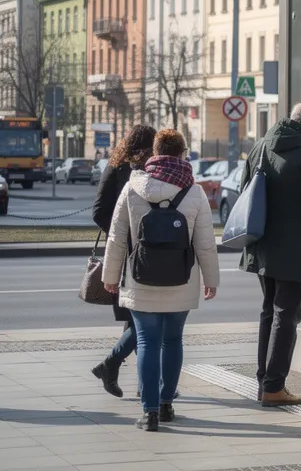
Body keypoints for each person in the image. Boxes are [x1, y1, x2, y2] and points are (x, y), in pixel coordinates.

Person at [102, 129, 219, 432]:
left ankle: (149, 412)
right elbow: (206, 242)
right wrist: (211, 280)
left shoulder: (133, 187)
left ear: (154, 153)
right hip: (182, 279)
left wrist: (110, 277)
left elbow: (117, 238)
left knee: (147, 341)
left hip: (140, 280)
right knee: (173, 340)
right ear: (182, 154)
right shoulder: (193, 192)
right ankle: (167, 404)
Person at [239, 101, 301, 407]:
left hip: (263, 244)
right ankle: (273, 386)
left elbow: (245, 189)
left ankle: (264, 382)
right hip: (295, 247)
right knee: (286, 316)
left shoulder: (261, 146)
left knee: (269, 312)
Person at [90, 124, 156, 398]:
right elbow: (99, 211)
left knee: (139, 318)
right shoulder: (119, 168)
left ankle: (140, 382)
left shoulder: (140, 168)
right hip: (128, 252)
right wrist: (123, 233)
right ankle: (129, 375)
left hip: (142, 251)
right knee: (142, 318)